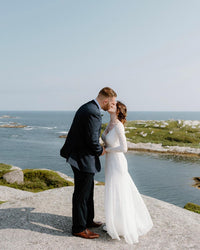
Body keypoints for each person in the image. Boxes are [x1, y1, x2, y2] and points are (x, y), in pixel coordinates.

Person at [60, 87, 117, 239]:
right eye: (111, 103)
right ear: (105, 101)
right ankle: (79, 228)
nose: (112, 106)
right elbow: (92, 140)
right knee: (81, 194)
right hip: (82, 158)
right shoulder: (93, 112)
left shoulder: (88, 106)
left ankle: (88, 220)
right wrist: (100, 150)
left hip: (80, 154)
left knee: (88, 189)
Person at [102, 101, 153, 244]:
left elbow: (124, 148)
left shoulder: (118, 125)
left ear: (118, 111)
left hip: (117, 162)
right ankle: (115, 223)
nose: (110, 105)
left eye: (113, 105)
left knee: (120, 191)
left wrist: (107, 150)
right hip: (110, 161)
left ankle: (124, 225)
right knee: (113, 190)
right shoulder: (109, 123)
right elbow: (107, 141)